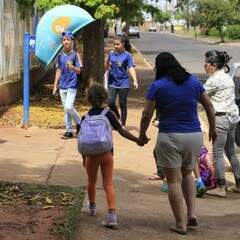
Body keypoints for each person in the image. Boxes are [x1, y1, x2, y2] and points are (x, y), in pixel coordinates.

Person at [139, 52, 216, 235]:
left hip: (170, 136)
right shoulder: (193, 81)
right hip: (194, 136)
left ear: (160, 68)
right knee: (188, 173)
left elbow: (146, 114)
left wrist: (142, 134)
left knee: (173, 181)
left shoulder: (158, 86)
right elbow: (209, 106)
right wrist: (212, 128)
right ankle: (192, 214)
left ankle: (180, 224)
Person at [78, 84, 144, 228]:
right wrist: (137, 140)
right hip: (107, 154)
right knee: (108, 184)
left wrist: (84, 158)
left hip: (90, 156)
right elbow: (121, 130)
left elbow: (81, 139)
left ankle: (92, 207)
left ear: (88, 99)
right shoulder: (108, 114)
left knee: (91, 181)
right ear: (105, 98)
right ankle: (112, 215)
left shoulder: (84, 117)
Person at [204, 50, 240, 197]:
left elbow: (200, 95)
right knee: (231, 152)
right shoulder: (225, 76)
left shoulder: (214, 79)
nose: (204, 66)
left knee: (218, 153)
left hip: (221, 118)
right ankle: (239, 184)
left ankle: (220, 187)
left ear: (214, 65)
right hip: (232, 118)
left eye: (206, 64)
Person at [53, 31, 82, 139]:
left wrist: (72, 67)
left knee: (69, 106)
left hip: (72, 85)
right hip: (62, 85)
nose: (66, 41)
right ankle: (68, 130)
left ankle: (79, 122)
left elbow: (79, 71)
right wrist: (55, 85)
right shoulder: (60, 56)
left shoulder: (75, 55)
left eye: (68, 39)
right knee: (66, 109)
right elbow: (58, 71)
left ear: (72, 42)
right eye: (64, 40)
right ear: (62, 42)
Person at [106, 35, 138, 127]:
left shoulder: (128, 55)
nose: (115, 46)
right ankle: (118, 117)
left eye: (117, 44)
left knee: (122, 104)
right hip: (112, 82)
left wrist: (135, 80)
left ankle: (123, 124)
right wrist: (108, 65)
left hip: (123, 83)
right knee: (110, 102)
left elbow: (131, 68)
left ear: (123, 44)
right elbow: (107, 66)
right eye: (114, 44)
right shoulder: (111, 54)